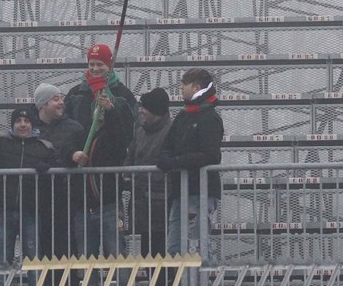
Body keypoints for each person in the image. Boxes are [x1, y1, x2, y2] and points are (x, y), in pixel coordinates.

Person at [0, 98, 56, 282]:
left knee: (33, 257)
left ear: (32, 125)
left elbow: (58, 162)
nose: (22, 125)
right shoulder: (1, 144)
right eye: (18, 121)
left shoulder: (44, 148)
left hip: (32, 211)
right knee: (3, 256)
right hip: (4, 209)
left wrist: (47, 165)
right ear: (12, 124)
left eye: (26, 121)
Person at [63, 43, 137, 260]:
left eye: (100, 64)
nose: (95, 68)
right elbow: (66, 130)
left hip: (109, 187)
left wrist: (112, 110)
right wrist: (72, 154)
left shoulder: (122, 94)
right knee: (86, 254)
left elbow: (128, 133)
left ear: (110, 65)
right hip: (82, 188)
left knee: (117, 251)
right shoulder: (76, 94)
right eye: (91, 64)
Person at [158, 67, 224, 259]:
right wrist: (166, 158)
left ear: (195, 87)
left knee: (197, 246)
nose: (180, 87)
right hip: (180, 190)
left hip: (199, 191)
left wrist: (176, 161)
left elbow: (210, 154)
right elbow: (167, 144)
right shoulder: (184, 116)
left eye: (184, 84)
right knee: (175, 246)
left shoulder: (210, 118)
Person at [33, 83, 85, 263]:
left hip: (68, 199)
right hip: (37, 201)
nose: (61, 102)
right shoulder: (28, 128)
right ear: (42, 104)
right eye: (56, 99)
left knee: (67, 250)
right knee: (41, 250)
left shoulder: (74, 128)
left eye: (61, 98)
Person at [125, 88, 173, 260]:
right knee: (148, 251)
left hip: (161, 202)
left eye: (144, 107)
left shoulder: (171, 131)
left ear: (155, 110)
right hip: (142, 202)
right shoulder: (140, 130)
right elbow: (130, 156)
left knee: (161, 250)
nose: (141, 111)